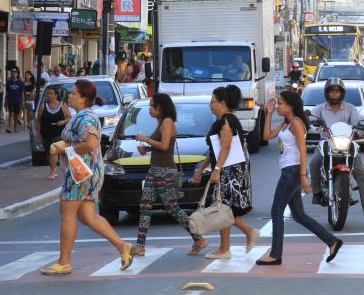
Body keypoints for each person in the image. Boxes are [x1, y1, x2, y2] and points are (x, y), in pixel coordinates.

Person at [41, 79, 133, 275]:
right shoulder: (83, 115)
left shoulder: (86, 118)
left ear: (83, 99)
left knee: (67, 214)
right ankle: (122, 246)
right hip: (87, 171)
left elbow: (90, 145)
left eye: (74, 93)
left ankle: (64, 261)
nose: (69, 96)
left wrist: (64, 148)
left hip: (80, 172)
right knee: (87, 216)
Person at [255, 90, 343, 266]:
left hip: (293, 171)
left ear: (291, 105)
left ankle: (275, 254)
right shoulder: (287, 123)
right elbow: (266, 136)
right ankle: (332, 241)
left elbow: (303, 150)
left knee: (276, 211)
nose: (277, 106)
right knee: (298, 214)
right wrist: (270, 113)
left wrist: (303, 176)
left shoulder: (296, 123)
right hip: (289, 171)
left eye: (280, 103)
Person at [133, 93, 207, 257]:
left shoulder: (167, 122)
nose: (150, 109)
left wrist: (146, 140)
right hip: (155, 168)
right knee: (145, 206)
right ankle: (140, 245)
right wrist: (148, 149)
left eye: (152, 106)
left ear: (161, 107)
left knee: (172, 208)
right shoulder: (161, 122)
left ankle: (198, 238)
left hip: (165, 170)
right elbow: (162, 145)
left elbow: (165, 145)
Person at [191, 85, 257, 259]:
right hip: (226, 169)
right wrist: (202, 168)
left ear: (222, 103)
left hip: (230, 172)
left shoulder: (227, 120)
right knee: (223, 210)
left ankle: (246, 234)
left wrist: (217, 170)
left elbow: (226, 147)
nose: (210, 105)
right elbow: (215, 149)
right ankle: (225, 248)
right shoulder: (221, 121)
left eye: (213, 102)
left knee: (224, 210)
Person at [307, 78, 364, 226]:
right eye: (331, 91)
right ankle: (316, 192)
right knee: (314, 162)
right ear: (327, 93)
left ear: (341, 93)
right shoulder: (320, 108)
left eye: (337, 91)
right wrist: (308, 119)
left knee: (361, 174)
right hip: (327, 142)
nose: (334, 94)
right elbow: (310, 118)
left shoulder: (350, 108)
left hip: (346, 143)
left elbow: (359, 121)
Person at [39, 86, 71, 181]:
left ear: (56, 95)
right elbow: (38, 121)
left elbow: (69, 117)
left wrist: (63, 122)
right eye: (48, 93)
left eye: (51, 93)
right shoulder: (43, 106)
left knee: (54, 149)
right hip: (46, 133)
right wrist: (38, 133)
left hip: (58, 133)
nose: (49, 95)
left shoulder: (62, 105)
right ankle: (53, 169)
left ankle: (52, 172)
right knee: (48, 153)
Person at [6, 69, 24, 133]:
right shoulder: (8, 82)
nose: (13, 74)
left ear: (17, 74)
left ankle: (15, 128)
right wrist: (5, 101)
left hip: (17, 100)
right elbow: (7, 92)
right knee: (11, 113)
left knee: (16, 115)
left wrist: (22, 101)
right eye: (12, 73)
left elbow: (22, 93)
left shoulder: (20, 82)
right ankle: (10, 127)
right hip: (10, 100)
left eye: (15, 73)